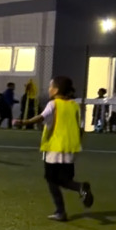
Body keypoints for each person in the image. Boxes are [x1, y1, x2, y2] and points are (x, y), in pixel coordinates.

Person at [18, 75, 93, 222]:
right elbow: (80, 127)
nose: (49, 89)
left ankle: (61, 211)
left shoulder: (53, 104)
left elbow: (41, 117)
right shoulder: (74, 105)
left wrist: (24, 122)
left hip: (54, 148)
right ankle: (80, 188)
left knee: (51, 179)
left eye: (50, 86)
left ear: (56, 90)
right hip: (70, 148)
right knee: (65, 179)